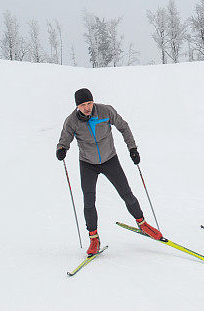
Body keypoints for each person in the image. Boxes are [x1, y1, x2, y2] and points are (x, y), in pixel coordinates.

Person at [56, 88, 162, 255]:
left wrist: (132, 148)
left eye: (89, 103)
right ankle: (94, 238)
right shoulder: (71, 122)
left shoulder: (106, 111)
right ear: (77, 106)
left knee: (126, 193)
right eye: (83, 105)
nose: (87, 107)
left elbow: (124, 127)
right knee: (89, 201)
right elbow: (65, 139)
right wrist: (62, 148)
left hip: (109, 159)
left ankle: (142, 224)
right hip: (87, 163)